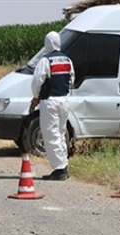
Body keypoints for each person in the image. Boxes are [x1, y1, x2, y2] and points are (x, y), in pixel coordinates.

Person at [30, 31, 75, 181]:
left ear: (47, 43)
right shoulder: (67, 59)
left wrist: (36, 97)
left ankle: (59, 169)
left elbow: (37, 81)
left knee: (50, 134)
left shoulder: (46, 60)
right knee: (61, 133)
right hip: (64, 99)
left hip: (50, 100)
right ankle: (63, 164)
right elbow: (71, 79)